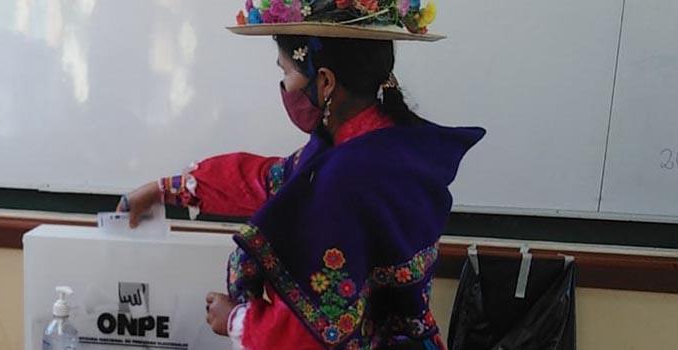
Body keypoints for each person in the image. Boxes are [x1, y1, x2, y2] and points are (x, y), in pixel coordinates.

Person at [120, 0, 483, 348]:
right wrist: (164, 189)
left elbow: (310, 335)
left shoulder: (344, 178)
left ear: (324, 81)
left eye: (286, 72)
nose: (284, 88)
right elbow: (268, 180)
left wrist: (237, 320)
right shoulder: (390, 142)